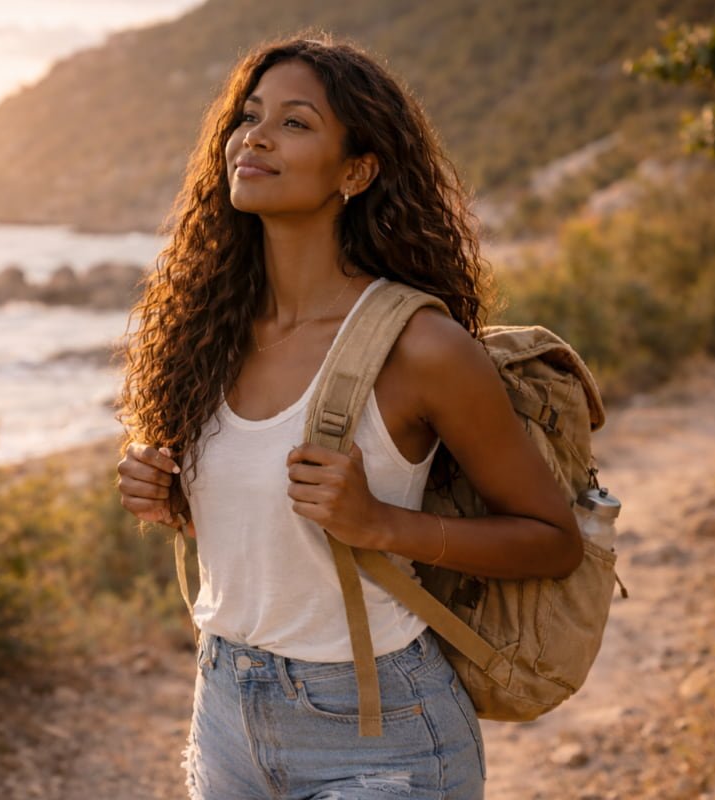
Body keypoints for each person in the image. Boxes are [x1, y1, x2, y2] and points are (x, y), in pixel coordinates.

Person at [116, 34, 582, 800]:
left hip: (380, 735)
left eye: (295, 123)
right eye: (250, 115)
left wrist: (380, 525)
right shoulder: (210, 333)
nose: (255, 136)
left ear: (357, 171)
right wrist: (171, 498)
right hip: (225, 712)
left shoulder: (421, 346)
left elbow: (553, 541)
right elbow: (269, 535)